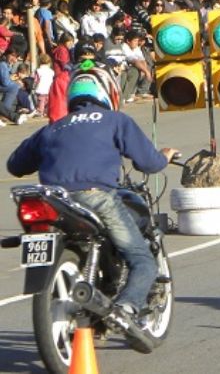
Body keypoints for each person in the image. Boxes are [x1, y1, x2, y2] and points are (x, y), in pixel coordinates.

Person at [6, 65, 178, 350]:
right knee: (143, 259)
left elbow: (15, 165)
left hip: (54, 201)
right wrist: (165, 156)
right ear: (108, 91)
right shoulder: (115, 120)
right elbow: (149, 163)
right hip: (96, 197)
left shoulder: (51, 128)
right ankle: (126, 309)